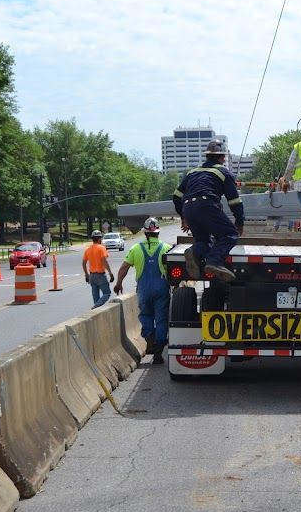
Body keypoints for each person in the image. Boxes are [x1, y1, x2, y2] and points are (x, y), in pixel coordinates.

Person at [173, 139, 243, 281]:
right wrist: (239, 221)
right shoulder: (223, 172)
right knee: (229, 235)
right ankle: (214, 262)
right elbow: (234, 201)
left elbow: (176, 196)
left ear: (207, 156)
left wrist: (183, 217)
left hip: (188, 207)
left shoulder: (192, 172)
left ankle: (194, 251)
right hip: (206, 205)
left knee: (203, 240)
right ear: (222, 157)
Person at [114, 217, 171, 364]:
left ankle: (150, 339)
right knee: (161, 319)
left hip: (144, 290)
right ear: (158, 233)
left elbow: (124, 267)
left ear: (145, 233)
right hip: (161, 289)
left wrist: (118, 283)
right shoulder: (166, 248)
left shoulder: (135, 249)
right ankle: (158, 350)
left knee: (146, 316)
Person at [82, 230, 114, 308]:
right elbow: (104, 262)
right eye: (101, 238)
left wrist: (86, 275)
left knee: (96, 297)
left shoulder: (88, 249)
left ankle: (96, 309)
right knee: (107, 293)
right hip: (100, 275)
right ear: (99, 239)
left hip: (92, 276)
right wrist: (110, 273)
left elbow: (83, 263)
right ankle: (95, 307)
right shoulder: (102, 248)